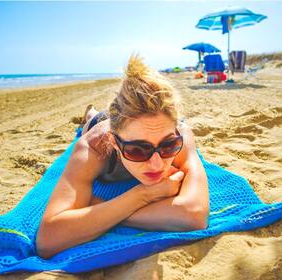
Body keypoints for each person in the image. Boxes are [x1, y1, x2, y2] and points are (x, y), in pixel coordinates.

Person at [36, 55, 209, 259]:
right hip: (99, 123)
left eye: (168, 146)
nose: (156, 163)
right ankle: (90, 113)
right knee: (93, 118)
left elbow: (194, 215)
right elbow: (48, 240)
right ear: (114, 142)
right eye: (137, 150)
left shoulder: (181, 135)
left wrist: (104, 209)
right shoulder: (93, 147)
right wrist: (143, 195)